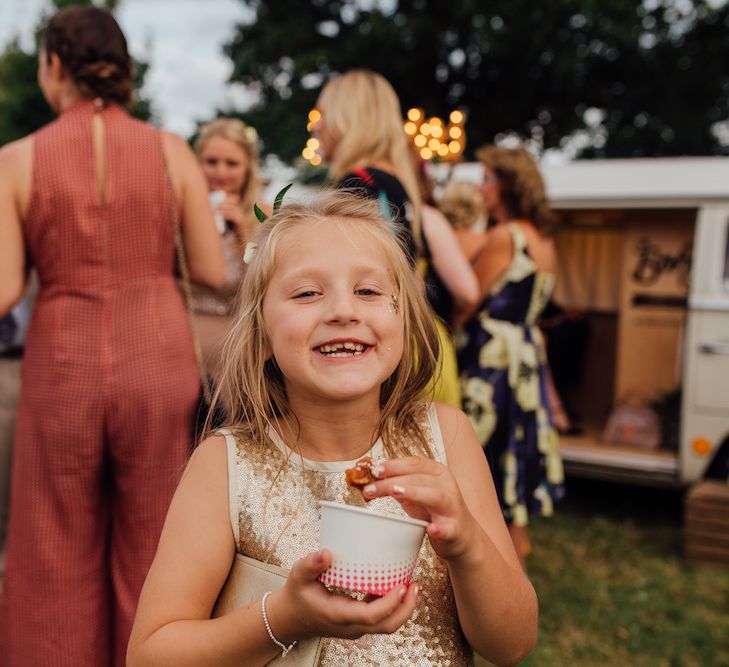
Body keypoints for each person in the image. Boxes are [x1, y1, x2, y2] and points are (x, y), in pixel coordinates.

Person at [126, 191, 537, 667]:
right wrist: (285, 617)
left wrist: (465, 542)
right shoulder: (225, 463)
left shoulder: (447, 437)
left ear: (402, 319)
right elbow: (150, 654)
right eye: (307, 293)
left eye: (368, 291)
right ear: (261, 335)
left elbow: (513, 644)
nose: (344, 310)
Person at [0, 6, 224, 665]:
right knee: (159, 538)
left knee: (52, 540)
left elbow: (5, 288)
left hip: (62, 363)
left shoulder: (16, 159)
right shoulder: (170, 150)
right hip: (157, 357)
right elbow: (211, 270)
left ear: (52, 66)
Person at [313, 69, 478, 408]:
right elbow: (464, 291)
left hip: (388, 355)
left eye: (322, 115)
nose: (316, 127)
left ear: (347, 119)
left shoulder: (355, 186)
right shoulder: (401, 189)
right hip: (426, 345)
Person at [454, 145, 565, 566]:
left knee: (483, 446)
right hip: (525, 355)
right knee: (513, 448)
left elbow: (470, 299)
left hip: (494, 360)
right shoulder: (544, 240)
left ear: (508, 185)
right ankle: (514, 547)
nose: (480, 188)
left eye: (487, 179)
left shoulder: (506, 237)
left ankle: (488, 552)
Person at [192, 118, 269, 377]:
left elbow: (267, 279)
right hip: (186, 337)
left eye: (232, 163)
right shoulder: (183, 211)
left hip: (239, 344)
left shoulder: (263, 214)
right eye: (211, 162)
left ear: (247, 168)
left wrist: (243, 232)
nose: (221, 173)